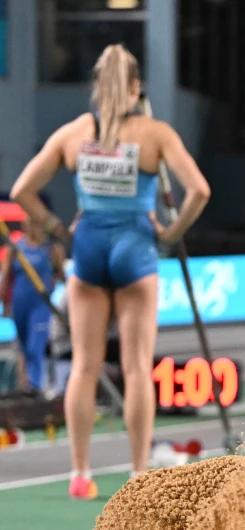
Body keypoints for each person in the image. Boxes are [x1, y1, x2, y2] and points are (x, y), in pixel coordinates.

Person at [11, 44, 210, 500]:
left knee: (83, 367)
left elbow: (23, 190)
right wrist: (170, 233)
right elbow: (199, 189)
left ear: (97, 88)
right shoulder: (155, 133)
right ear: (136, 87)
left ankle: (79, 473)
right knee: (138, 368)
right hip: (136, 249)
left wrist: (58, 230)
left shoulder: (77, 132)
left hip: (89, 248)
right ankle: (138, 472)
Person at [0, 216, 64, 392]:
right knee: (23, 347)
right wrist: (4, 302)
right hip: (19, 303)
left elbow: (62, 275)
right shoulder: (15, 249)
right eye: (28, 225)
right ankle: (25, 387)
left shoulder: (52, 249)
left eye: (35, 224)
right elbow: (6, 278)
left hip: (41, 304)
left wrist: (53, 285)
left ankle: (35, 387)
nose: (32, 228)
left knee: (35, 345)